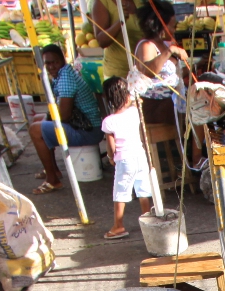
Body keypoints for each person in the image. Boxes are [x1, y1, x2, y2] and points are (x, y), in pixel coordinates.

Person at [31, 44, 104, 195]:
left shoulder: (65, 78)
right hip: (84, 125)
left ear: (62, 60)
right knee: (39, 120)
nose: (51, 67)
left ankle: (53, 180)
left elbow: (63, 116)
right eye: (48, 63)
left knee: (35, 129)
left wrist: (47, 118)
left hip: (87, 130)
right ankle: (54, 170)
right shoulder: (64, 74)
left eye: (55, 62)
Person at [100, 77, 153, 240]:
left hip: (124, 159)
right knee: (143, 190)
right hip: (140, 156)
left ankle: (119, 225)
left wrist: (110, 157)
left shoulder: (109, 122)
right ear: (128, 95)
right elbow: (138, 102)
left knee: (121, 192)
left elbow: (111, 146)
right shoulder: (135, 112)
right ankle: (147, 219)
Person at [91, 0, 144, 81]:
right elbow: (101, 41)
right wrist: (120, 22)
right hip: (118, 75)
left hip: (143, 72)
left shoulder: (143, 2)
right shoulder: (102, 2)